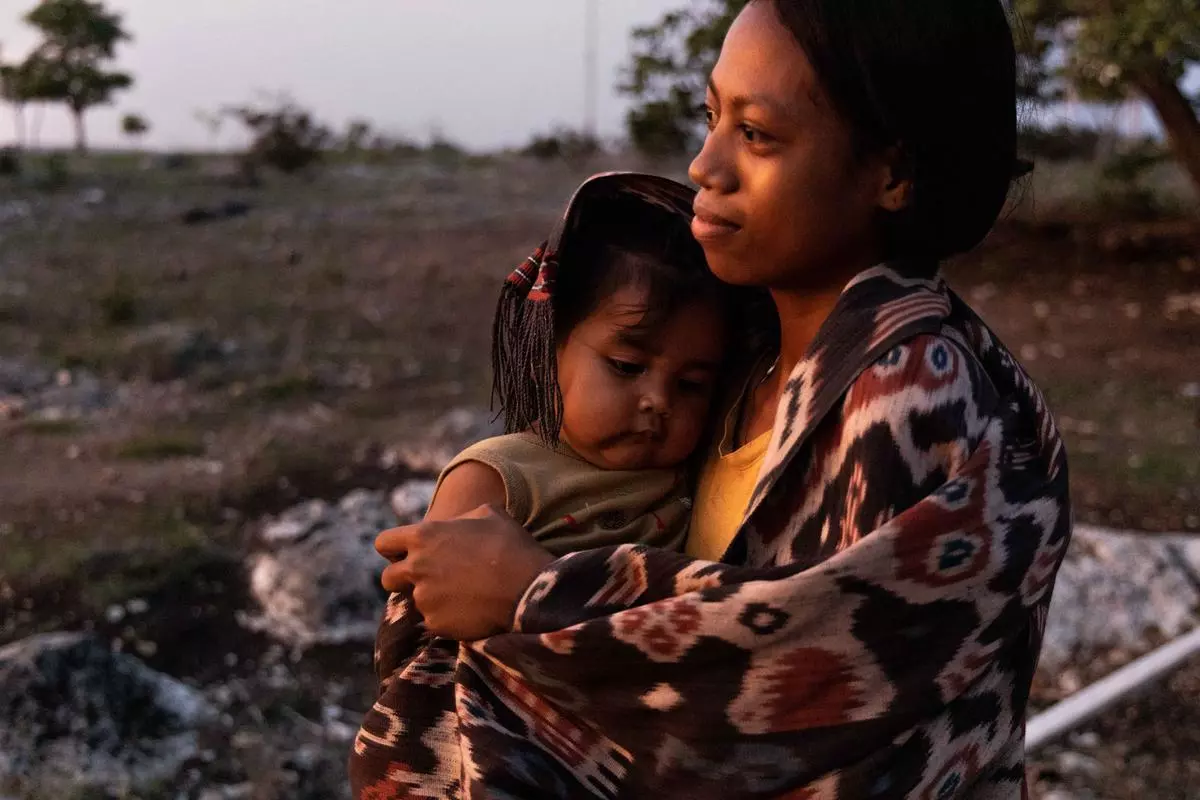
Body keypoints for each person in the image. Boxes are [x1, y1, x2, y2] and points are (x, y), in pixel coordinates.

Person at [351, 0, 1072, 797]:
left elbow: (805, 681)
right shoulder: (736, 362)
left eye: (756, 134)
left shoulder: (911, 394)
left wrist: (535, 596)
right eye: (711, 117)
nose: (705, 165)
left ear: (892, 174)